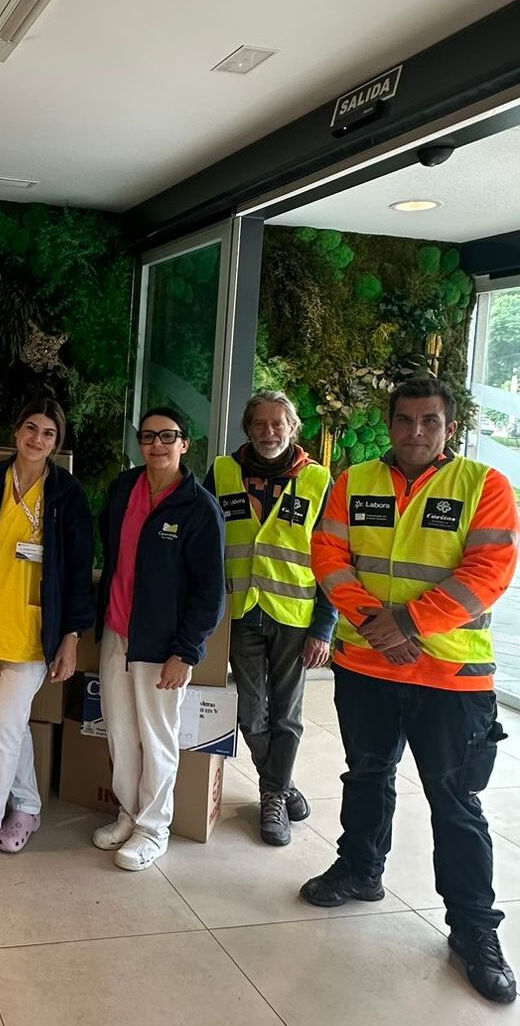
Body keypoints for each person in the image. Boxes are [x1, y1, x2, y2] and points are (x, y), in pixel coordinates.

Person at [303, 377, 518, 1005]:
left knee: (456, 803)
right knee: (366, 775)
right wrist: (379, 624)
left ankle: (474, 930)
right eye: (404, 419)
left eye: (429, 421)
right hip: (368, 668)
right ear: (390, 422)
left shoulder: (484, 486)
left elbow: (489, 572)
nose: (415, 431)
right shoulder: (354, 481)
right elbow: (328, 554)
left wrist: (411, 624)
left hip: (451, 676)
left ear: (449, 427)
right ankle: (360, 869)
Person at [0, 399, 95, 874]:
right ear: (16, 431)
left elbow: (77, 572)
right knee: (11, 725)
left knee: (2, 726)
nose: (37, 439)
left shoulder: (67, 495)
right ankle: (27, 806)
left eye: (48, 433)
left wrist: (70, 637)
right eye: (31, 428)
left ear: (57, 443)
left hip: (34, 635)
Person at [93, 406, 225, 870]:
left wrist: (185, 652)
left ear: (184, 444)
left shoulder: (199, 507)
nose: (157, 445)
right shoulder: (123, 489)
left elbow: (210, 592)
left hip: (163, 644)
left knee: (157, 736)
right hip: (117, 632)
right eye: (148, 436)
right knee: (121, 733)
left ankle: (153, 829)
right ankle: (128, 815)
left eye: (168, 436)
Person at [203, 391, 336, 847]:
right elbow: (205, 542)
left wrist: (324, 627)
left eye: (278, 423)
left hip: (294, 616)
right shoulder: (223, 472)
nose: (268, 432)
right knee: (250, 711)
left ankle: (273, 796)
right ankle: (282, 784)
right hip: (240, 611)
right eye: (259, 423)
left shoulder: (318, 480)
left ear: (293, 428)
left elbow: (335, 559)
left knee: (287, 713)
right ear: (247, 427)